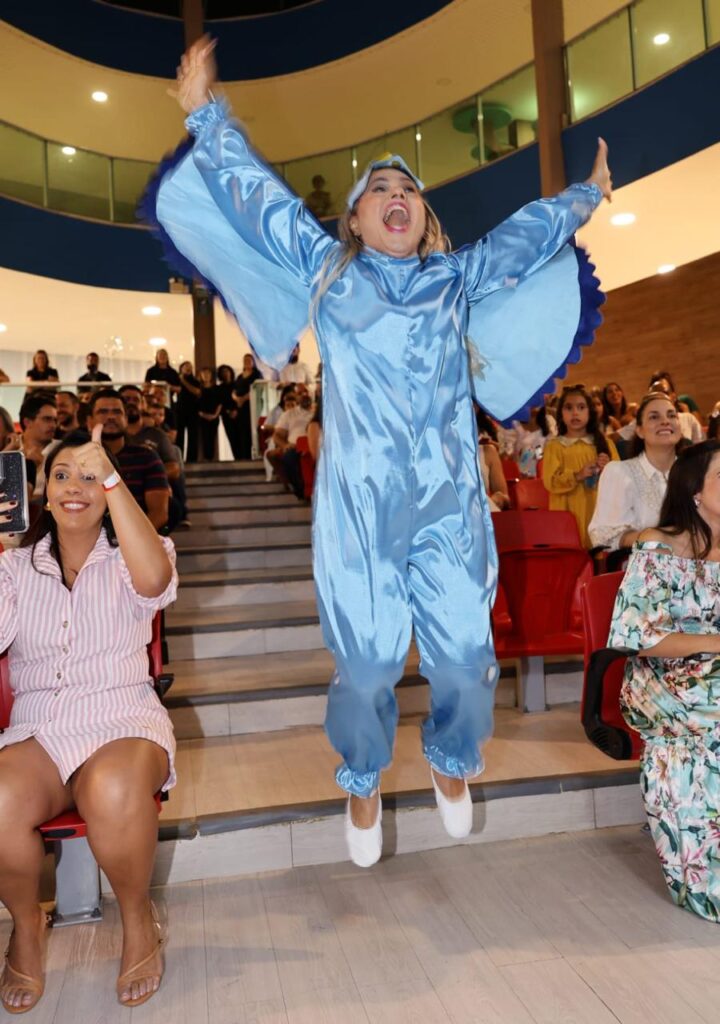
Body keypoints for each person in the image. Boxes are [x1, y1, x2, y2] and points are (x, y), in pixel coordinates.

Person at [151, 36, 609, 866]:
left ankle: (452, 760)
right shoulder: (330, 271)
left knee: (469, 663)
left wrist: (583, 197)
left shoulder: (453, 279)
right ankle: (362, 775)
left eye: (409, 189)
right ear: (356, 218)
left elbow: (519, 237)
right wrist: (206, 115)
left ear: (423, 218)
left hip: (449, 504)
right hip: (359, 507)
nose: (395, 195)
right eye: (379, 190)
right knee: (365, 665)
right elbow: (258, 199)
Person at [0, 429, 177, 1011]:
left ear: (108, 490)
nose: (75, 486)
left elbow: (155, 581)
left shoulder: (134, 553)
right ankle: (27, 926)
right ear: (42, 494)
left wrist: (114, 476)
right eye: (61, 475)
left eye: (90, 474)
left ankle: (136, 919)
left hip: (123, 718)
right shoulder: (16, 567)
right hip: (41, 729)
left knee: (112, 784)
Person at [608, 440, 720, 921]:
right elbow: (637, 635)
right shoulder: (660, 544)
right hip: (664, 680)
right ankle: (702, 873)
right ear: (694, 490)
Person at [589, 392, 681, 552]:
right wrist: (653, 538)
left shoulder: (696, 471)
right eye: (654, 417)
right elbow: (603, 536)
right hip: (645, 568)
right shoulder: (620, 472)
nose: (665, 421)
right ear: (639, 431)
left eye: (671, 415)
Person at [542, 385, 619, 547]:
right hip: (567, 514)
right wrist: (578, 475)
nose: (575, 413)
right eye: (568, 408)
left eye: (581, 407)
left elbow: (620, 483)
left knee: (599, 560)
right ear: (561, 414)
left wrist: (607, 470)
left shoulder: (606, 444)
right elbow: (550, 481)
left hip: (599, 514)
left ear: (590, 412)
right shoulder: (554, 446)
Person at [87, 390, 170, 532]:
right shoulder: (77, 459)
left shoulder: (147, 457)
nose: (111, 417)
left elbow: (159, 514)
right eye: (103, 412)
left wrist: (128, 544)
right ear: (90, 421)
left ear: (126, 419)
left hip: (137, 540)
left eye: (117, 412)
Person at [232, 354, 263, 460]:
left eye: (249, 360)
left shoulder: (257, 375)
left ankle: (253, 456)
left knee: (251, 431)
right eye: (245, 360)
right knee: (242, 432)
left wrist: (243, 399)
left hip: (252, 408)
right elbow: (234, 391)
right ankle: (243, 456)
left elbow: (256, 389)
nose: (247, 362)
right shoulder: (240, 376)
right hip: (240, 408)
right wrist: (237, 399)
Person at [175, 360, 201, 462]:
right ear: (181, 369)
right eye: (185, 366)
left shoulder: (195, 381)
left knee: (193, 436)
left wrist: (183, 381)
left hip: (193, 411)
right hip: (180, 411)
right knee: (179, 437)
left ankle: (192, 460)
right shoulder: (177, 380)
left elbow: (196, 392)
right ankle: (179, 459)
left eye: (190, 366)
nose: (188, 368)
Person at [197, 367, 222, 461]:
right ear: (201, 376)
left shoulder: (216, 388)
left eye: (208, 374)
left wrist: (215, 415)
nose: (206, 376)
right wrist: (203, 415)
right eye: (204, 374)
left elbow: (220, 403)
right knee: (204, 438)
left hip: (214, 417)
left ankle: (211, 458)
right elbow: (196, 405)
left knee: (212, 437)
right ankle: (206, 458)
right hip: (202, 417)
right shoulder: (199, 389)